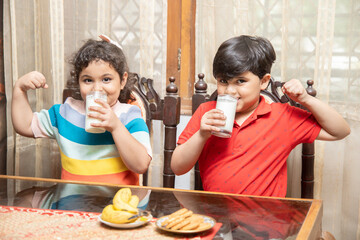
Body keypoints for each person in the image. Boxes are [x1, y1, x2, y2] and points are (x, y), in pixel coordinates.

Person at [171, 35, 351, 197]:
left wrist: (305, 99)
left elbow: (340, 131)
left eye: (240, 81)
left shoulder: (283, 117)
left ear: (264, 82)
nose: (230, 90)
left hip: (265, 221)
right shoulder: (206, 112)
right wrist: (202, 134)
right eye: (223, 81)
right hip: (217, 218)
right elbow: (178, 168)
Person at [11, 37, 152, 186]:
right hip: (72, 202)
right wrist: (20, 89)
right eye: (88, 80)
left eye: (106, 79)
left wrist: (116, 126)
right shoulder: (65, 113)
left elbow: (141, 165)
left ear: (122, 81)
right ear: (78, 81)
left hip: (117, 205)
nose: (96, 88)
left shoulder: (130, 115)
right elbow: (25, 126)